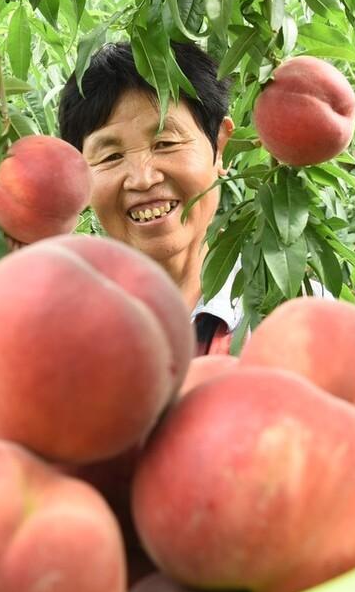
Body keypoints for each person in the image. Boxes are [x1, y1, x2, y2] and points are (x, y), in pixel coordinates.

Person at [58, 40, 325, 356]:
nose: (143, 179)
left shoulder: (296, 315)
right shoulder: (65, 330)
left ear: (220, 146)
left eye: (165, 144)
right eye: (111, 156)